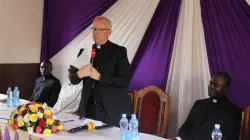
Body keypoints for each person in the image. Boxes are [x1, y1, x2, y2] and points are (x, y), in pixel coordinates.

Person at [69, 16, 132, 127]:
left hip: (110, 110)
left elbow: (124, 82)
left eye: (100, 30)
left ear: (109, 32)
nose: (96, 33)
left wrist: (100, 77)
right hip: (88, 109)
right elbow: (72, 79)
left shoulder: (118, 51)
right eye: (94, 29)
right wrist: (79, 74)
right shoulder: (85, 51)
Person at [172, 72, 242, 140]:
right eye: (210, 83)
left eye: (216, 85)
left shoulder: (233, 111)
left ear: (225, 89)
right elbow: (185, 128)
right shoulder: (199, 104)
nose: (211, 86)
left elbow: (230, 137)